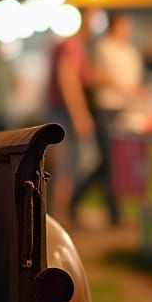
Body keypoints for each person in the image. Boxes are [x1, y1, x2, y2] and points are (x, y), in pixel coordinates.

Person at [70, 11, 143, 227]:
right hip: (106, 107)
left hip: (124, 109)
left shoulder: (130, 52)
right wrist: (121, 86)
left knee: (110, 161)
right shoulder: (102, 47)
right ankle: (114, 212)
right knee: (109, 159)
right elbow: (95, 76)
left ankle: (78, 196)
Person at [44, 14, 93, 225]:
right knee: (66, 164)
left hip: (59, 110)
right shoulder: (72, 46)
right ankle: (58, 216)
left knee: (66, 163)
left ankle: (57, 215)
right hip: (63, 112)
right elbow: (68, 78)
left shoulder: (72, 46)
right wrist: (79, 114)